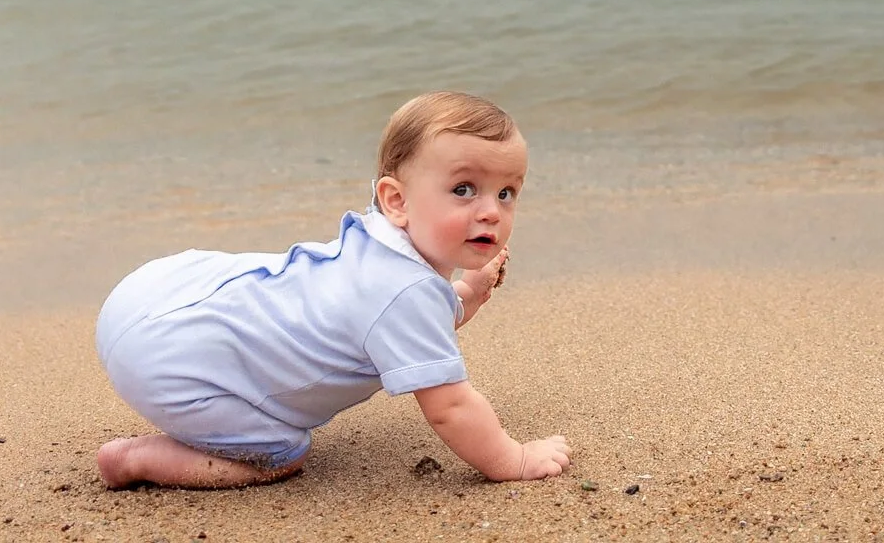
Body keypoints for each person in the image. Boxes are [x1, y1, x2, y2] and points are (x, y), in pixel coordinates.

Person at [93, 91, 571, 489]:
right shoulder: (403, 293)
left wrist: (468, 292)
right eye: (464, 189)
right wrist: (514, 460)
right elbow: (450, 407)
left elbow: (404, 326)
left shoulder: (375, 240)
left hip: (153, 291)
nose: (491, 211)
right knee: (280, 453)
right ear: (397, 200)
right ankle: (135, 460)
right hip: (171, 367)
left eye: (507, 192)